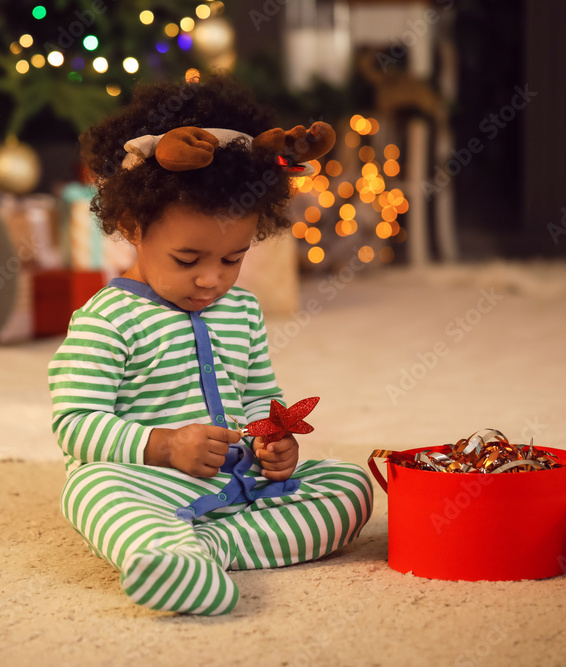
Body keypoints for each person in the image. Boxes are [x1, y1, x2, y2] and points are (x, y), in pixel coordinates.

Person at [48, 73, 373, 615]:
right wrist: (165, 446)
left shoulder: (241, 310)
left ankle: (205, 550)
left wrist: (274, 445)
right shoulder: (106, 319)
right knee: (91, 492)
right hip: (147, 482)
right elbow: (76, 424)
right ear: (131, 226)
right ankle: (165, 550)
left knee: (348, 487)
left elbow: (258, 399)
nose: (210, 280)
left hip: (241, 481)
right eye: (187, 259)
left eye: (232, 259)